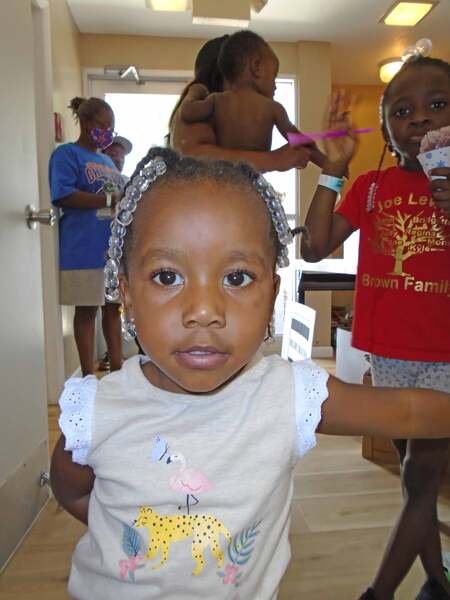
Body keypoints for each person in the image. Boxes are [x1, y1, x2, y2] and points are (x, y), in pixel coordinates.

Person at [50, 147, 450, 600]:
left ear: (272, 294)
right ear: (125, 294)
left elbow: (409, 413)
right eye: (167, 277)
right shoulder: (97, 410)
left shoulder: (286, 394)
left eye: (237, 279)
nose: (204, 311)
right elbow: (75, 493)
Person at [301, 56, 450, 600]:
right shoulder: (371, 186)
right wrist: (334, 168)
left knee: (418, 479)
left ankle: (377, 593)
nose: (419, 119)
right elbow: (312, 247)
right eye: (402, 111)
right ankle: (438, 580)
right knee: (419, 478)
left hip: (444, 358)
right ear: (386, 131)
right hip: (388, 356)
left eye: (437, 105)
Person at [49, 97, 124, 376]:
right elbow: (63, 194)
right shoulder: (67, 155)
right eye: (103, 126)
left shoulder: (106, 160)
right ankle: (87, 375)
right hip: (82, 248)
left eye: (111, 129)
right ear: (86, 122)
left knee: (113, 308)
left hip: (111, 250)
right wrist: (108, 200)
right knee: (87, 311)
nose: (107, 133)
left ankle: (117, 370)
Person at [181, 30, 325, 168]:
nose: (275, 86)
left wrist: (193, 94)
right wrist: (327, 162)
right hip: (248, 185)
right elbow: (300, 141)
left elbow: (187, 111)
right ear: (256, 66)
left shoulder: (216, 101)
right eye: (274, 76)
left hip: (227, 182)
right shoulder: (273, 108)